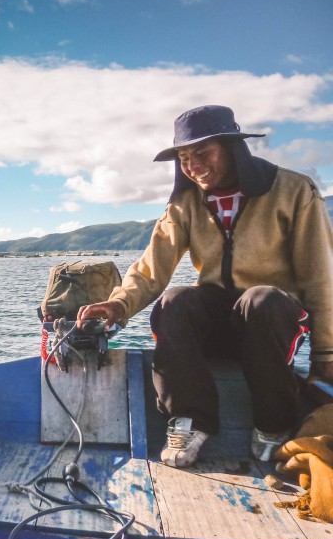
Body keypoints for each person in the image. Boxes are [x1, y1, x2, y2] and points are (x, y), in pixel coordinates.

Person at [78, 105, 333, 468]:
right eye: (183, 157)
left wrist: (325, 354)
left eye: (202, 152)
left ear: (232, 148)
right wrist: (118, 305)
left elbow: (319, 276)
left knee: (262, 300)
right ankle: (189, 420)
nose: (192, 164)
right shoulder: (185, 204)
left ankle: (274, 424)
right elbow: (152, 269)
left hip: (271, 323)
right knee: (174, 301)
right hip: (218, 321)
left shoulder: (294, 191)